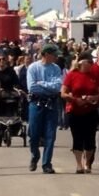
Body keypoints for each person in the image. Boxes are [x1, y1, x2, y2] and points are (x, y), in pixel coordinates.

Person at [61, 51, 99, 174]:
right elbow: (63, 93)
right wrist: (74, 99)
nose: (91, 64)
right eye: (89, 62)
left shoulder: (94, 75)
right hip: (75, 111)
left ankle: (87, 163)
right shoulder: (72, 75)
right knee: (77, 138)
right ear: (81, 62)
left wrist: (93, 98)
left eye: (92, 62)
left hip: (91, 111)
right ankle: (79, 164)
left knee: (90, 139)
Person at [27, 45, 65, 173]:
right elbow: (32, 87)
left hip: (51, 104)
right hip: (36, 103)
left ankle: (46, 163)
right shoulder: (33, 67)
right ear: (46, 54)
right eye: (54, 54)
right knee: (34, 134)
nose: (56, 57)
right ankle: (34, 154)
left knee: (50, 135)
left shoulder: (56, 68)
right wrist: (47, 87)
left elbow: (57, 86)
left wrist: (42, 83)